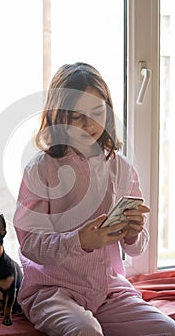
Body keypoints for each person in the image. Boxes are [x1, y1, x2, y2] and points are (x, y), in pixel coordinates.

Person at [13, 62, 175, 335]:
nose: (90, 125)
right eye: (78, 117)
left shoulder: (121, 167)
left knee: (167, 329)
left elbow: (137, 249)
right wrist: (80, 241)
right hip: (54, 291)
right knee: (86, 330)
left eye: (98, 112)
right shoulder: (41, 169)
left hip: (108, 289)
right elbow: (30, 244)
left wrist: (133, 233)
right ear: (60, 116)